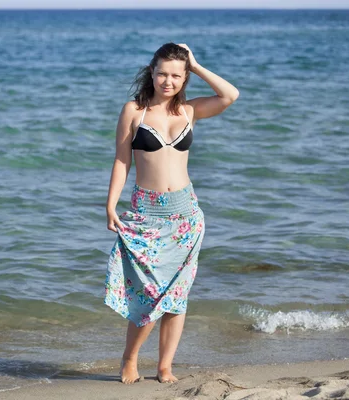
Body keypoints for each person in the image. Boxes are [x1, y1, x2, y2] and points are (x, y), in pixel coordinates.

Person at [104, 42, 239, 384]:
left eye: (177, 75)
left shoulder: (189, 111)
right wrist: (110, 204)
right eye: (162, 73)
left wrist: (195, 64)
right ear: (151, 72)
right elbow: (122, 161)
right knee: (148, 294)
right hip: (145, 215)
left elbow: (230, 95)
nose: (168, 81)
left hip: (186, 216)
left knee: (176, 297)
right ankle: (130, 359)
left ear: (185, 78)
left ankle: (165, 366)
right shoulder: (134, 110)